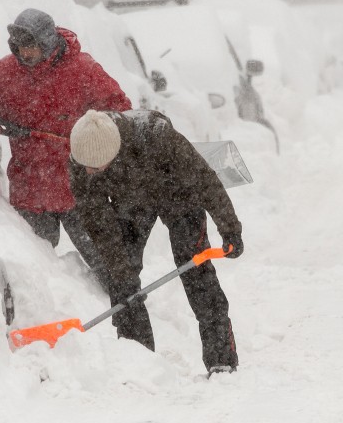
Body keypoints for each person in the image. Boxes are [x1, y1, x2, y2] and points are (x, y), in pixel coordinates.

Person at [67, 109, 244, 375]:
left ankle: (221, 358)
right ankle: (137, 360)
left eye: (96, 168)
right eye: (86, 168)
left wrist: (230, 228)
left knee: (195, 269)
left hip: (178, 195)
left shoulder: (158, 136)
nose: (89, 173)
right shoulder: (82, 159)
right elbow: (98, 221)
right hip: (132, 204)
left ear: (113, 154)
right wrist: (121, 269)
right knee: (121, 281)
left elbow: (205, 181)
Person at [0, 8, 132, 279]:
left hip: (79, 186)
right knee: (37, 273)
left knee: (109, 267)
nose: (25, 53)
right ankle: (53, 316)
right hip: (30, 189)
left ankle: (125, 304)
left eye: (31, 46)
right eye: (20, 47)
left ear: (47, 41)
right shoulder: (6, 72)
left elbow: (120, 112)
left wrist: (92, 132)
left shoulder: (82, 70)